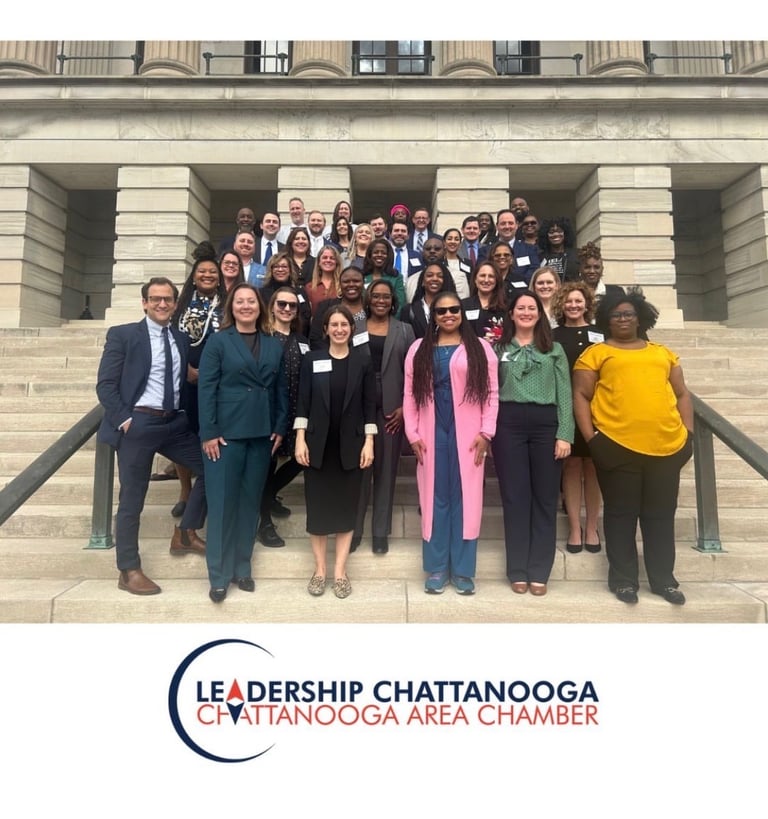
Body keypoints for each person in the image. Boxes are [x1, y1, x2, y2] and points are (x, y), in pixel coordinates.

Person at [572, 288, 694, 606]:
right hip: (616, 447)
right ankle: (624, 581)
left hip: (667, 448)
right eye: (616, 315)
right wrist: (592, 439)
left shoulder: (663, 354)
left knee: (660, 517)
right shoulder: (595, 354)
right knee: (620, 516)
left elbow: (682, 393)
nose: (623, 319)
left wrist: (689, 434)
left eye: (628, 314)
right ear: (606, 320)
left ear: (640, 318)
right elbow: (581, 397)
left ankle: (664, 580)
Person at [96, 277, 207, 596]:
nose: (162, 304)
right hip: (139, 424)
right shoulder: (123, 335)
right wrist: (126, 420)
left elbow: (188, 376)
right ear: (144, 303)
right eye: (156, 299)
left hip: (174, 424)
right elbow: (106, 385)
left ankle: (185, 532)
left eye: (168, 299)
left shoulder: (181, 338)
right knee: (132, 500)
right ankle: (128, 569)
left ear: (175, 303)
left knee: (214, 467)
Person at [197, 282, 288, 603]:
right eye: (240, 301)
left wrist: (279, 426)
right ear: (231, 307)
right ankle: (219, 576)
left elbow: (280, 390)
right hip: (225, 436)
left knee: (250, 504)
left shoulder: (273, 344)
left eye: (251, 301)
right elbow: (206, 388)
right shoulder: (218, 342)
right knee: (222, 506)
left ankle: (242, 568)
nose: (246, 306)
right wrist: (208, 432)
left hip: (261, 435)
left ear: (260, 307)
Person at [404, 291, 498, 595]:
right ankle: (436, 568)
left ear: (462, 312)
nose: (448, 315)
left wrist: (486, 432)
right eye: (441, 311)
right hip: (431, 432)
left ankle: (462, 570)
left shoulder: (480, 348)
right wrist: (412, 433)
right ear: (433, 315)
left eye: (454, 309)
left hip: (468, 435)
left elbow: (491, 393)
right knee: (435, 499)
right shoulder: (419, 349)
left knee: (465, 500)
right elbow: (410, 394)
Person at [493, 290, 573, 596]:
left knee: (544, 498)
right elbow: (490, 390)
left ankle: (539, 570)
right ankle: (517, 569)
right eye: (520, 308)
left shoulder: (554, 349)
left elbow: (565, 393)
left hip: (545, 424)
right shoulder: (499, 348)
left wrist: (565, 433)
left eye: (532, 308)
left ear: (540, 314)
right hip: (508, 423)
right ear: (511, 314)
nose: (526, 312)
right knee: (515, 498)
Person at [294, 305, 377, 599]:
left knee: (345, 510)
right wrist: (300, 439)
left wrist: (369, 442)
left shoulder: (362, 361)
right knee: (318, 512)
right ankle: (320, 570)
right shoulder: (312, 360)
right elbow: (303, 401)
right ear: (326, 329)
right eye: (334, 325)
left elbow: (370, 405)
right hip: (317, 447)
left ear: (351, 329)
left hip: (351, 448)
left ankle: (340, 571)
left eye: (344, 324)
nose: (339, 329)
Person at [352, 279, 415, 554]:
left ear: (393, 300)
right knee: (359, 470)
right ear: (368, 299)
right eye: (375, 296)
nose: (380, 300)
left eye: (386, 296)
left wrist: (405, 406)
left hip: (392, 409)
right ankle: (354, 530)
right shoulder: (354, 326)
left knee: (386, 471)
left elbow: (413, 372)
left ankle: (380, 532)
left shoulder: (405, 330)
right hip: (358, 407)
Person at [168, 241, 227, 520]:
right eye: (202, 272)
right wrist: (187, 370)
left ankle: (209, 488)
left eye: (213, 272)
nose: (207, 275)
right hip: (186, 379)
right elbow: (170, 341)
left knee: (211, 432)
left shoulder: (226, 305)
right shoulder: (179, 306)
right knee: (186, 432)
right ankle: (185, 491)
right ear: (194, 276)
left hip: (218, 381)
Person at [551, 281, 604, 553]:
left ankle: (592, 526)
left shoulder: (600, 335)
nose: (573, 305)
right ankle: (574, 527)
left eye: (578, 301)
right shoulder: (552, 335)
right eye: (569, 301)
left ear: (587, 304)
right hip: (564, 407)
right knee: (571, 466)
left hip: (596, 409)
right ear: (561, 304)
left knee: (593, 467)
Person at [257, 287, 310, 549]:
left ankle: (268, 496)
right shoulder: (262, 337)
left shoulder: (302, 340)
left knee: (302, 460)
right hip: (268, 412)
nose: (287, 309)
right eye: (282, 304)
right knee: (266, 466)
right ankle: (264, 522)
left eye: (292, 305)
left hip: (296, 411)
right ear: (272, 306)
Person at [259, 251, 311, 336]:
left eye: (284, 266)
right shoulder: (262, 293)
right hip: (268, 335)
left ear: (290, 270)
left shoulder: (300, 292)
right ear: (271, 270)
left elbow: (306, 316)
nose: (280, 269)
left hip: (296, 335)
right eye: (276, 266)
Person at [400, 262, 457, 339]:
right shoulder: (408, 310)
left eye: (440, 276)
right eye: (430, 275)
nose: (435, 279)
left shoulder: (455, 309)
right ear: (422, 282)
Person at [462, 260, 507, 343]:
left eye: (491, 276)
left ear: (497, 280)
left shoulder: (506, 306)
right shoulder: (463, 305)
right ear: (475, 279)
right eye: (482, 275)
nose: (486, 280)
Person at [362, 237, 406, 308]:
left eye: (383, 253)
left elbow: (400, 304)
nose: (379, 255)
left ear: (388, 256)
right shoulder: (362, 276)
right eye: (376, 252)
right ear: (370, 255)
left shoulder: (397, 277)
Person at [577, 241, 625, 307]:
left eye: (596, 267)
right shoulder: (571, 293)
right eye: (587, 267)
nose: (592, 271)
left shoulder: (617, 293)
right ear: (580, 269)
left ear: (602, 269)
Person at [538, 217, 579, 282]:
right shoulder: (540, 257)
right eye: (551, 232)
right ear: (545, 235)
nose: (555, 234)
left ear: (565, 233)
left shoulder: (576, 254)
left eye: (559, 231)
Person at [305, 245, 343, 317]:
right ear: (319, 262)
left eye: (332, 258)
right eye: (325, 257)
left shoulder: (342, 285)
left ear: (337, 262)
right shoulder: (309, 287)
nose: (328, 260)